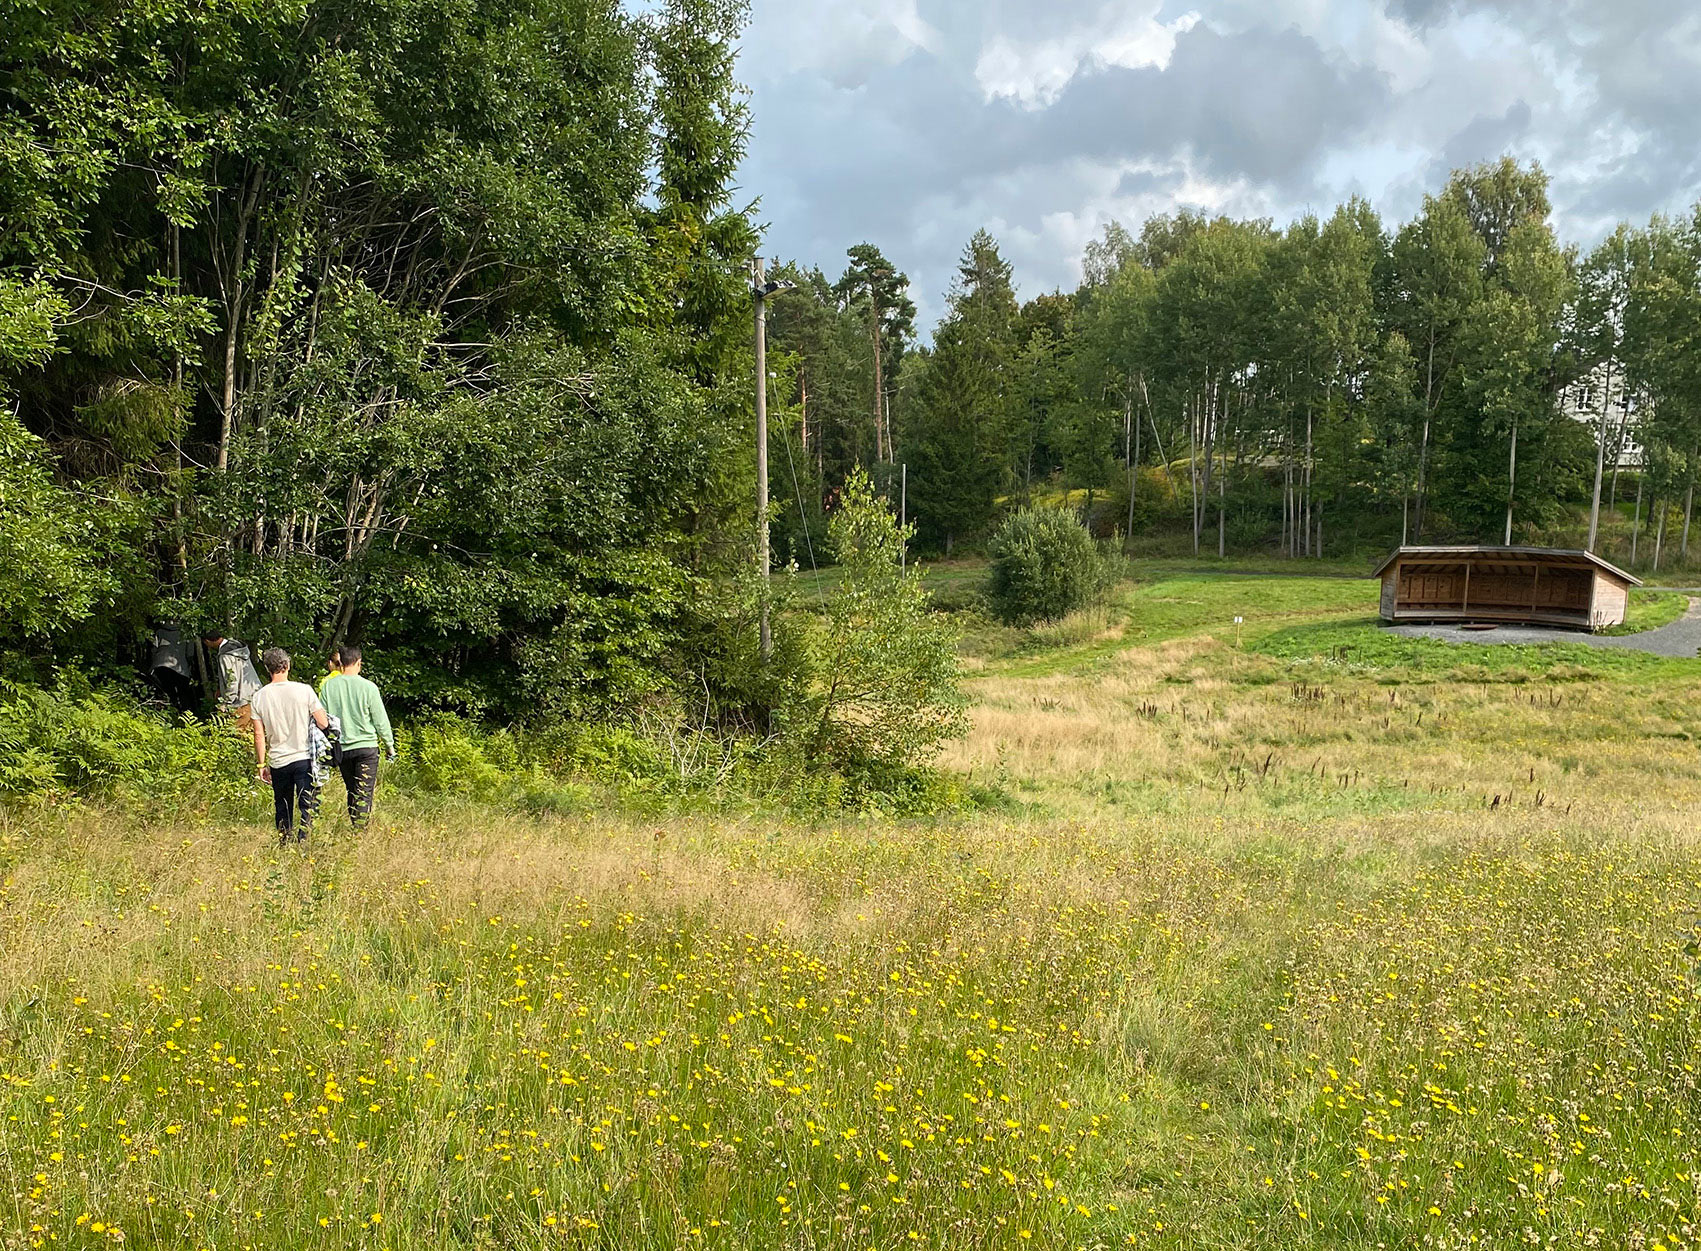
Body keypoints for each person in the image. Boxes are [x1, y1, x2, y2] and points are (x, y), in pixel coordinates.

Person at [249, 647, 330, 845]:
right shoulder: (304, 690)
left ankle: (285, 841)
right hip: (303, 758)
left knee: (282, 805)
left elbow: (259, 735)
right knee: (307, 804)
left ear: (268, 669)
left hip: (278, 760)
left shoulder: (259, 697)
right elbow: (323, 723)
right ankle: (304, 842)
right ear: (287, 665)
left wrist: (261, 765)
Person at [319, 644, 395, 827]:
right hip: (366, 747)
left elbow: (322, 719)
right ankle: (359, 831)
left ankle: (356, 825)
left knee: (352, 790)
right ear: (359, 663)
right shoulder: (369, 687)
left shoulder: (328, 687)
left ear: (341, 663)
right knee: (364, 792)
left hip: (342, 748)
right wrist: (389, 746)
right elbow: (380, 720)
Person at [202, 632, 263, 731]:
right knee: (254, 732)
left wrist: (226, 703)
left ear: (208, 641)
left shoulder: (225, 655)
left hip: (241, 701)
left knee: (240, 735)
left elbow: (232, 681)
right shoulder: (238, 647)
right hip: (255, 695)